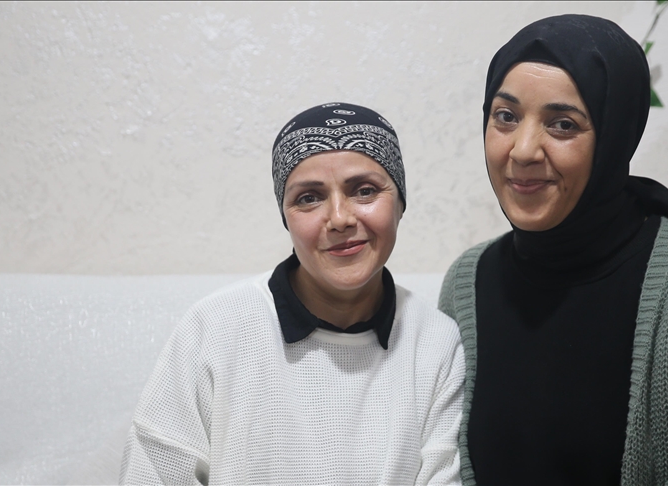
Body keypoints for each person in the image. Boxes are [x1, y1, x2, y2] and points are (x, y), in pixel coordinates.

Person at [438, 15, 668, 486]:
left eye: (562, 124)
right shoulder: (466, 283)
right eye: (506, 116)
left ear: (614, 136)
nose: (523, 150)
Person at [121, 102, 465, 485]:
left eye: (365, 191)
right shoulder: (214, 329)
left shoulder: (436, 341)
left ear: (400, 202)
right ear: (285, 217)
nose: (340, 218)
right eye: (308, 198)